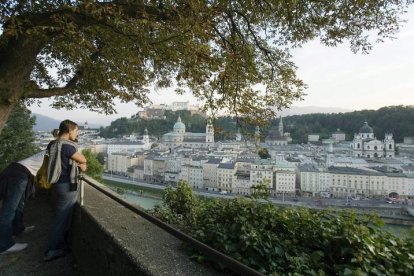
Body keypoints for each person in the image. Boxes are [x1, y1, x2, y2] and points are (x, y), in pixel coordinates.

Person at [44, 120, 87, 261]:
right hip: (67, 185)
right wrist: (83, 164)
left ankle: (58, 246)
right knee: (61, 219)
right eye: (76, 131)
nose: (77, 133)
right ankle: (53, 250)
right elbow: (83, 159)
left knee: (60, 216)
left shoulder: (53, 143)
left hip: (56, 183)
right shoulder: (68, 146)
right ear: (69, 131)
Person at [0, 151, 45, 254]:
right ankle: (4, 245)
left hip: (18, 171)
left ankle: (18, 229)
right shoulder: (59, 149)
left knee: (18, 206)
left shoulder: (54, 148)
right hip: (18, 174)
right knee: (9, 209)